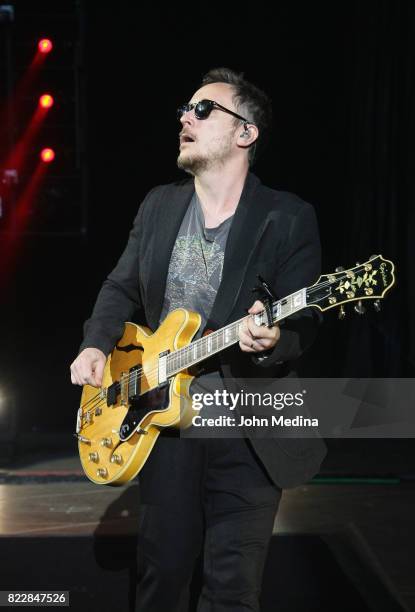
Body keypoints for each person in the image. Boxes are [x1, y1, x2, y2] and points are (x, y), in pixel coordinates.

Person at [70, 67, 326, 612]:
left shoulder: (287, 217)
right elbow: (120, 287)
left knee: (232, 588)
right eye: (186, 109)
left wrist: (274, 338)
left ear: (245, 133)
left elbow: (305, 322)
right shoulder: (159, 205)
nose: (186, 117)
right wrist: (95, 345)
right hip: (167, 421)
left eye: (203, 109)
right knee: (161, 575)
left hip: (248, 423)